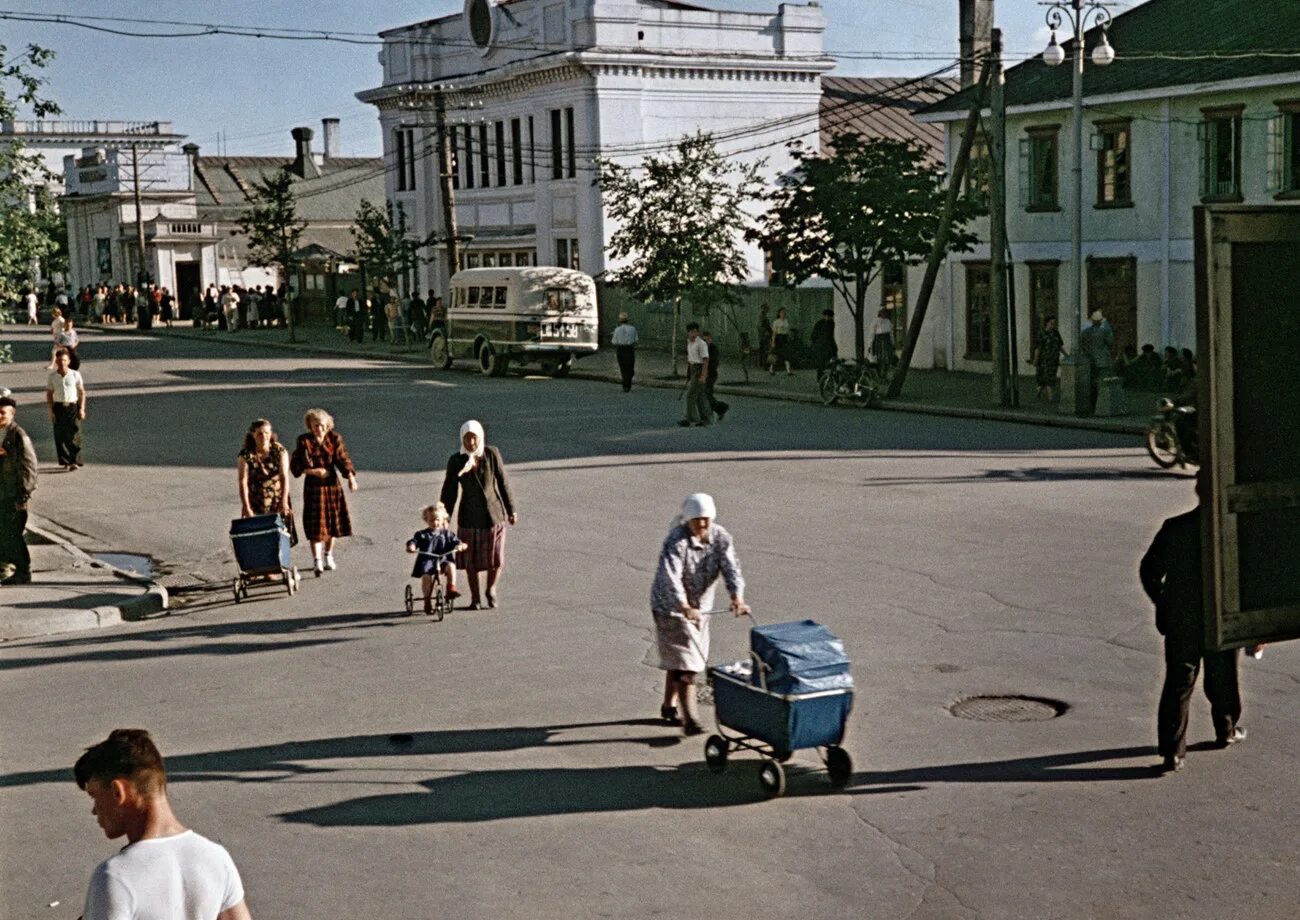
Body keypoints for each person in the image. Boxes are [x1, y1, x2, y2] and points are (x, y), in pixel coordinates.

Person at [74, 729, 253, 920]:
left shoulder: (115, 877)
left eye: (94, 796)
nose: (94, 810)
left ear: (119, 792)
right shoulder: (216, 858)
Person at [1139, 476, 1246, 774]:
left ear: (1197, 491)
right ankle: (1225, 730)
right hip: (1219, 619)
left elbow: (1149, 570)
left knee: (1179, 684)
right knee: (1222, 677)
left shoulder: (1174, 528)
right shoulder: (1230, 530)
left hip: (1182, 619)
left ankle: (1173, 753)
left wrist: (1163, 603)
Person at [650, 493, 749, 735]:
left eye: (706, 520)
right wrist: (683, 606)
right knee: (688, 664)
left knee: (684, 658)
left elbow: (731, 567)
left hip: (701, 609)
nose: (702, 525)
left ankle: (668, 706)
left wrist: (737, 597)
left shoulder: (721, 537)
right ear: (688, 520)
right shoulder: (676, 541)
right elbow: (670, 577)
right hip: (671, 608)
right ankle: (690, 720)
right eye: (697, 521)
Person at [439, 420, 518, 610]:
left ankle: (490, 589)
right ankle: (475, 598)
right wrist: (444, 516)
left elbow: (502, 481)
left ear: (480, 437)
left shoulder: (491, 454)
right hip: (469, 517)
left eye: (473, 439)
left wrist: (511, 509)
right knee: (470, 561)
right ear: (462, 439)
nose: (471, 444)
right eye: (467, 439)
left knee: (496, 559)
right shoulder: (457, 460)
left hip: (493, 516)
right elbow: (449, 490)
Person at [290, 408, 358, 576]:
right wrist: (312, 471)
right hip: (313, 486)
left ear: (327, 425)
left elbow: (343, 458)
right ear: (310, 426)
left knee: (332, 521)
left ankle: (328, 555)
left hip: (331, 485)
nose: (318, 429)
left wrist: (350, 477)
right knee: (316, 525)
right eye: (314, 426)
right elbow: (296, 465)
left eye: (321, 425)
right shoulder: (304, 441)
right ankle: (317, 560)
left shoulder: (334, 439)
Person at [237, 419, 296, 546]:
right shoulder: (246, 455)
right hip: (256, 499)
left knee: (280, 535)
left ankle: (281, 563)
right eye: (259, 434)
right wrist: (246, 507)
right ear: (253, 435)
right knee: (258, 536)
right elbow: (243, 481)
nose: (264, 437)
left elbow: (284, 476)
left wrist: (284, 502)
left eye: (266, 433)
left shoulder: (279, 451)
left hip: (277, 498)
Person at [0, 396, 37, 585]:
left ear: (12, 414)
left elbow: (30, 466)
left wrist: (24, 492)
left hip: (14, 494)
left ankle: (23, 571)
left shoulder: (18, 435)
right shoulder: (2, 433)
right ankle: (7, 569)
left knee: (13, 535)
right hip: (2, 492)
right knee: (4, 533)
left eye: (2, 413)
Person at [406, 502, 463, 615]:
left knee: (451, 566)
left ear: (443, 520)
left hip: (443, 558)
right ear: (426, 520)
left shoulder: (447, 534)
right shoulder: (422, 534)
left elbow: (457, 541)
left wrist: (460, 546)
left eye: (437, 519)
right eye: (431, 520)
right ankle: (427, 600)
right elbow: (414, 541)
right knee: (426, 577)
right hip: (427, 559)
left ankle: (451, 588)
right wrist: (411, 546)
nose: (435, 522)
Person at [46, 348, 86, 471]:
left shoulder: (75, 375)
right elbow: (49, 394)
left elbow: (82, 392)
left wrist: (82, 408)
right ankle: (65, 461)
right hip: (58, 407)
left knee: (74, 433)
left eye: (64, 360)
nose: (61, 363)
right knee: (60, 434)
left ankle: (74, 460)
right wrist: (50, 410)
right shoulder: (52, 377)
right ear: (56, 362)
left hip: (72, 406)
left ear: (68, 361)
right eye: (59, 360)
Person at [1078, 309, 1115, 411]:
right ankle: (1101, 406)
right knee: (1102, 384)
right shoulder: (1104, 331)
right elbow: (1111, 342)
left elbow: (1082, 345)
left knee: (1091, 384)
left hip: (1090, 361)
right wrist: (1106, 324)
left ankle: (1091, 405)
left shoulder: (1085, 332)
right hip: (1102, 361)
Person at [679, 322, 711, 427]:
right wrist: (688, 372)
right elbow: (690, 359)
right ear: (688, 332)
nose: (693, 334)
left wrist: (703, 375)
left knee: (690, 395)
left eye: (695, 331)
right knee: (700, 396)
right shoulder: (689, 343)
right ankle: (705, 419)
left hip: (699, 369)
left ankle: (690, 418)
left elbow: (705, 360)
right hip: (693, 368)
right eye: (691, 332)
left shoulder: (701, 344)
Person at [1029, 316, 1067, 402]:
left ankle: (1039, 391)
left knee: (1049, 377)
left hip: (1054, 359)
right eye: (1051, 323)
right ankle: (1050, 398)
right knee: (1047, 377)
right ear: (1047, 323)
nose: (1053, 325)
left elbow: (1059, 345)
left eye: (1054, 323)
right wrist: (1035, 359)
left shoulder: (1056, 333)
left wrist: (1066, 355)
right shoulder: (1041, 334)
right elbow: (1038, 348)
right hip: (1044, 360)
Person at [703, 330, 729, 421]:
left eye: (707, 339)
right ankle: (720, 409)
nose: (706, 341)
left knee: (707, 394)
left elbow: (714, 362)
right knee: (706, 394)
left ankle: (721, 408)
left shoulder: (713, 349)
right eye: (704, 340)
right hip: (704, 374)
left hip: (710, 375)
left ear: (710, 339)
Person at [610, 311, 639, 392]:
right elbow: (636, 340)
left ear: (620, 320)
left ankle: (625, 385)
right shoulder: (633, 329)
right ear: (627, 320)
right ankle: (628, 382)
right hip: (630, 349)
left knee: (623, 368)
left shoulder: (617, 329)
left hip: (621, 349)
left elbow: (614, 342)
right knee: (630, 366)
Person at [810, 308, 837, 375]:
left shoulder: (831, 323)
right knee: (821, 363)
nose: (828, 317)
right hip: (821, 345)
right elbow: (814, 335)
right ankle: (821, 378)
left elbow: (830, 335)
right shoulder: (820, 323)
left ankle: (832, 376)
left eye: (829, 316)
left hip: (828, 345)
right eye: (827, 316)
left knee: (833, 361)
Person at [768, 307, 792, 375]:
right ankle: (771, 369)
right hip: (778, 338)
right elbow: (774, 333)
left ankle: (788, 370)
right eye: (782, 313)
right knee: (775, 355)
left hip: (785, 338)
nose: (783, 314)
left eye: (784, 313)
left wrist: (789, 338)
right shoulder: (776, 322)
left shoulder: (786, 321)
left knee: (786, 354)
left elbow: (787, 331)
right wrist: (773, 342)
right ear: (779, 314)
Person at [756, 303, 772, 370]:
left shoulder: (763, 316)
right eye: (766, 308)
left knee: (763, 350)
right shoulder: (762, 316)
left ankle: (763, 364)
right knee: (765, 350)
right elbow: (762, 326)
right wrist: (768, 332)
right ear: (763, 308)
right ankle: (764, 365)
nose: (767, 310)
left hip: (763, 335)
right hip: (764, 336)